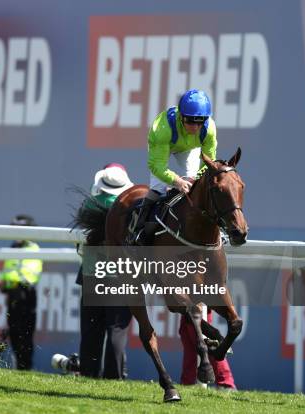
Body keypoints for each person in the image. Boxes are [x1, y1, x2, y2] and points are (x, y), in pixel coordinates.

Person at [128, 89, 217, 244]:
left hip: (189, 148)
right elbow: (157, 167)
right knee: (159, 187)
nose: (195, 128)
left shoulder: (209, 129)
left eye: (200, 120)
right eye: (190, 121)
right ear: (181, 116)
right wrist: (177, 181)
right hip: (165, 145)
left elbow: (209, 164)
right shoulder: (162, 129)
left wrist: (194, 178)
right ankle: (139, 230)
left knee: (197, 183)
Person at [77, 163, 133, 379]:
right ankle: (114, 375)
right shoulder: (131, 206)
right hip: (121, 274)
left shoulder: (90, 204)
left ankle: (89, 373)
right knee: (116, 329)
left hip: (92, 271)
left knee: (91, 328)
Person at [0, 214, 43, 370]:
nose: (15, 233)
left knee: (25, 335)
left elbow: (26, 274)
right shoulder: (13, 247)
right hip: (12, 296)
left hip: (25, 296)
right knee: (14, 333)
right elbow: (7, 271)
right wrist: (3, 281)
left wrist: (8, 281)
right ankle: (20, 367)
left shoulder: (33, 248)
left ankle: (26, 368)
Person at [179, 307, 236, 389]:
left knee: (203, 340)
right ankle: (188, 382)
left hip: (197, 302)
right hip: (188, 305)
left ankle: (226, 383)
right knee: (186, 334)